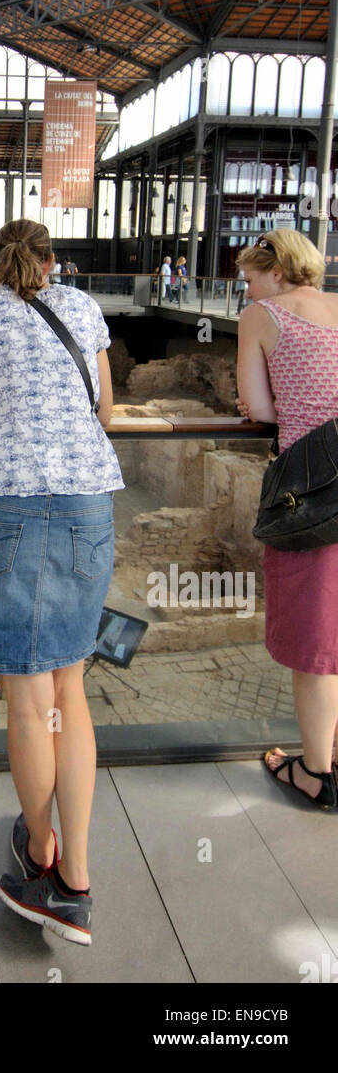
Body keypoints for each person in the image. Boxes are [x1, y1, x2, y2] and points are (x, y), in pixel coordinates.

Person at [0, 217, 122, 945]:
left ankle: (38, 851)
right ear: (52, 261)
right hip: (85, 504)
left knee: (25, 696)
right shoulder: (83, 307)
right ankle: (75, 875)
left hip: (7, 504)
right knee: (69, 692)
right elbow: (101, 412)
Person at [236, 229, 338, 811]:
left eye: (250, 277)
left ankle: (316, 773)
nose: (245, 288)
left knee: (316, 640)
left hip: (316, 492)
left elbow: (260, 407)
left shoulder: (264, 316)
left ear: (276, 274)